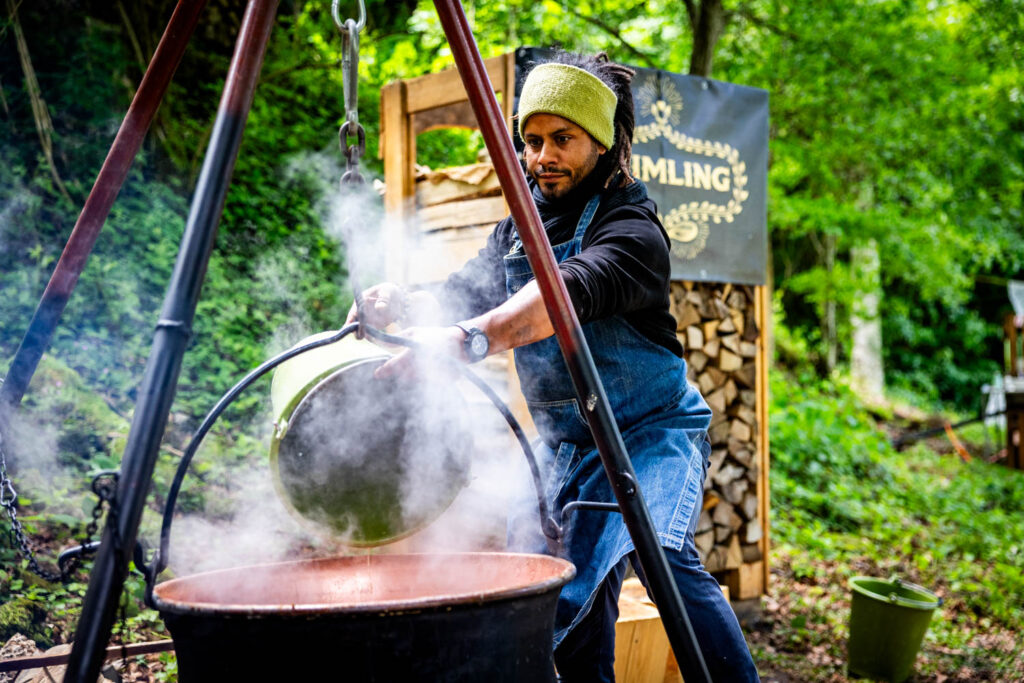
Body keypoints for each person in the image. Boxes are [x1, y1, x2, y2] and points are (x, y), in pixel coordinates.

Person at [347, 51, 759, 682]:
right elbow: (464, 292)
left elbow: (560, 298)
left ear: (601, 141)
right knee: (546, 585)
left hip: (650, 434)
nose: (543, 157)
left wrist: (465, 341)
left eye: (562, 139)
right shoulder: (520, 227)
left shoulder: (633, 230)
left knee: (662, 556)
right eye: (533, 140)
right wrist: (400, 303)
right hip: (566, 446)